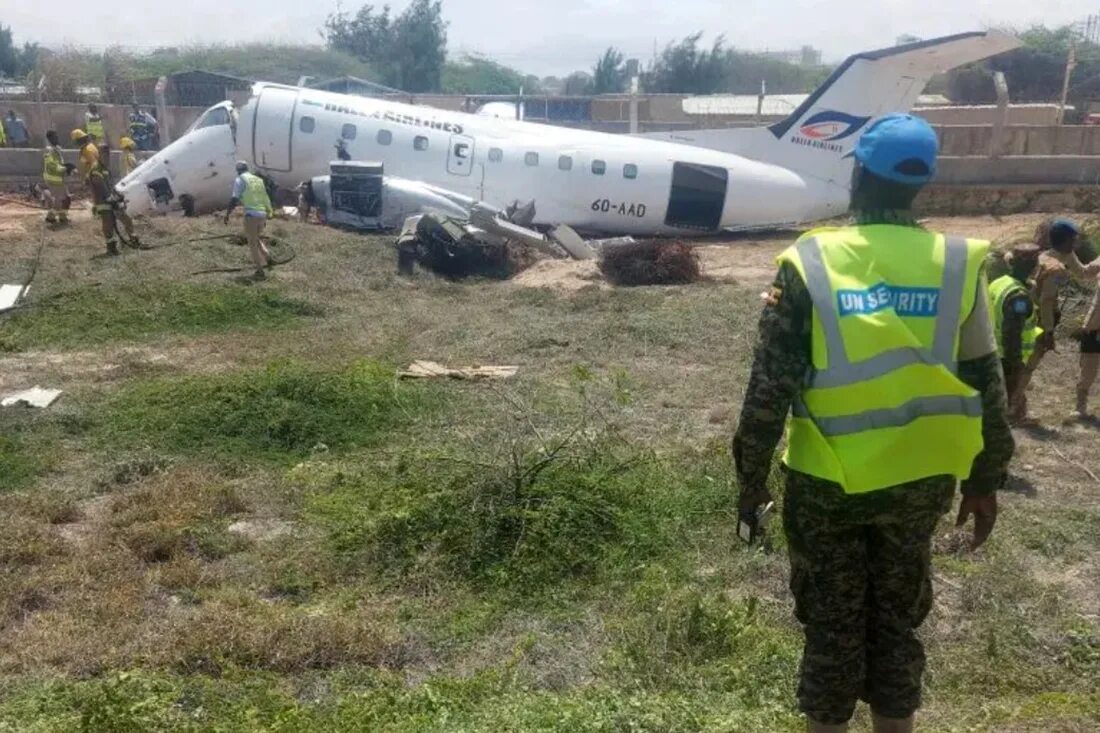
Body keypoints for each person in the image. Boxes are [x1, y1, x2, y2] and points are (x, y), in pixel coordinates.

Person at [733, 114, 1014, 733]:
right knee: (895, 620)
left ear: (858, 173)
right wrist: (985, 479)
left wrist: (751, 483)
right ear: (922, 185)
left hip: (825, 479)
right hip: (919, 482)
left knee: (833, 626)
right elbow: (986, 382)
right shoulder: (958, 264)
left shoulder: (810, 260)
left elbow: (767, 390)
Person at [1015, 218, 1100, 421]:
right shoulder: (1052, 265)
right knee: (1028, 364)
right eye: (1074, 239)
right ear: (1064, 241)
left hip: (1040, 315)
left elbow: (1082, 273)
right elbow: (1046, 301)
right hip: (1036, 319)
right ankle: (1015, 405)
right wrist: (1049, 331)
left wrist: (1096, 264)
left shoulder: (1066, 255)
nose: (1077, 243)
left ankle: (1015, 403)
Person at [988, 244, 1043, 423]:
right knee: (1002, 407)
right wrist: (1016, 365)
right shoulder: (1018, 296)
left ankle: (1018, 415)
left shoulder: (999, 282)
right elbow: (1012, 333)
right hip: (1007, 358)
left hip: (992, 350)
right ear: (1034, 266)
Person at [224, 161, 273, 281]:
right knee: (256, 238)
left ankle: (259, 271)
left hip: (251, 215)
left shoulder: (240, 180)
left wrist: (227, 214)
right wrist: (269, 212)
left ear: (238, 170)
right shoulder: (258, 180)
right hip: (262, 214)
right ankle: (268, 257)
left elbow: (234, 198)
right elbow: (265, 197)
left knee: (252, 243)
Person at [88, 145, 140, 256]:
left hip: (111, 199)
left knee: (126, 219)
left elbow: (110, 185)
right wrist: (111, 199)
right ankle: (111, 248)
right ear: (99, 155)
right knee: (108, 224)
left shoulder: (105, 168)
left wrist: (117, 195)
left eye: (108, 155)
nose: (107, 158)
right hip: (102, 202)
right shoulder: (96, 169)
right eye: (104, 155)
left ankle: (133, 240)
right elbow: (101, 186)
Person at [1071, 275, 1100, 419]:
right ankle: (1080, 405)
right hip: (1093, 333)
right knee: (1088, 370)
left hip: (1092, 330)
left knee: (1088, 369)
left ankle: (1080, 405)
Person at [41, 130, 76, 226]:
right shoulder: (49, 151)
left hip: (59, 179)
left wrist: (67, 167)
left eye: (56, 136)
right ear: (49, 139)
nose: (56, 139)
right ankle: (54, 217)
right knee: (60, 201)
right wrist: (65, 168)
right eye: (54, 137)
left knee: (65, 199)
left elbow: (58, 164)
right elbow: (51, 165)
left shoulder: (57, 149)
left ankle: (57, 217)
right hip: (53, 180)